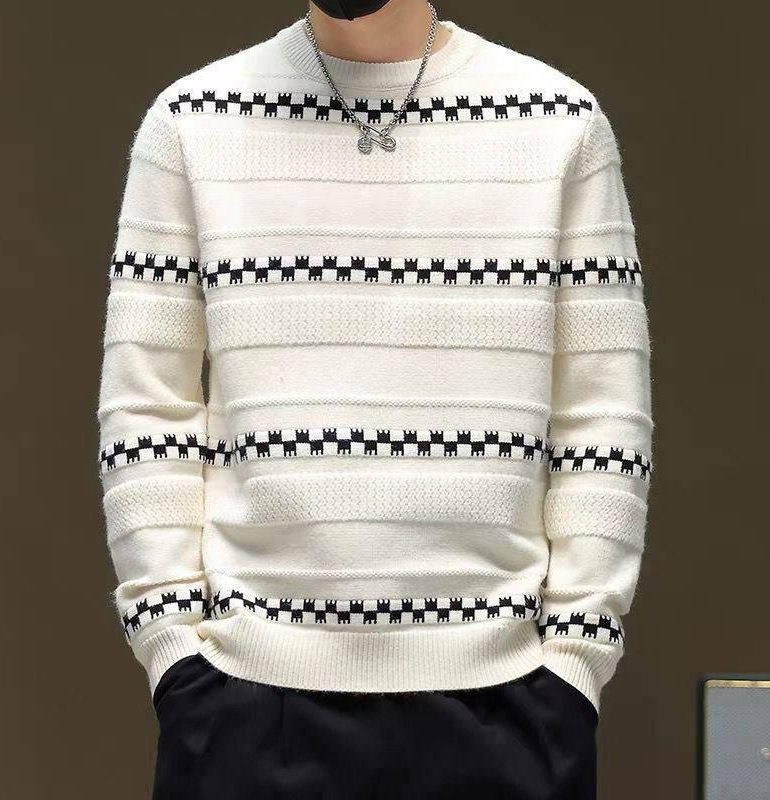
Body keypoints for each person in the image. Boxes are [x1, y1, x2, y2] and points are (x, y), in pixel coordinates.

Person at [96, 1, 652, 797]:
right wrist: (173, 648)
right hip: (244, 703)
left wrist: (574, 662)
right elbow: (147, 409)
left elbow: (603, 419)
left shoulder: (559, 121)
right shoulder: (192, 122)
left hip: (509, 706)